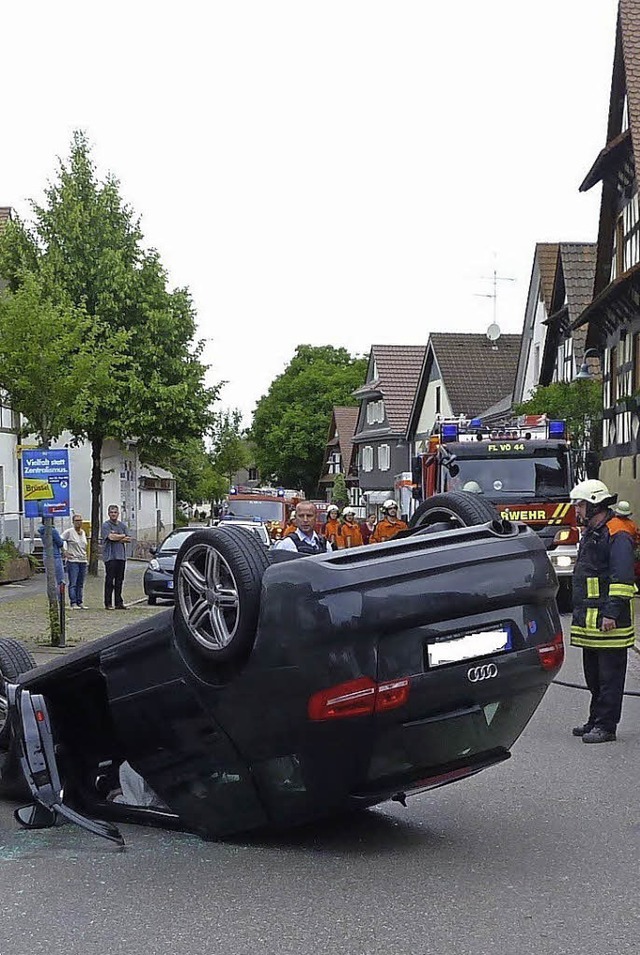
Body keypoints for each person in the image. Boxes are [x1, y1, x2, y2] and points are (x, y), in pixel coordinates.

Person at [569, 479, 637, 743]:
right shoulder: (593, 530)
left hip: (609, 620)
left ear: (594, 504)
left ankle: (607, 726)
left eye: (580, 505)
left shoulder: (617, 532)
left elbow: (622, 578)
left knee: (610, 678)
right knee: (594, 676)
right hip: (591, 619)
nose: (577, 510)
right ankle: (595, 719)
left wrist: (611, 613)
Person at [101, 504, 131, 610]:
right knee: (110, 580)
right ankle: (108, 603)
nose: (113, 514)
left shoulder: (122, 525)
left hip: (121, 557)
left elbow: (128, 538)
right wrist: (121, 536)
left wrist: (117, 537)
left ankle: (119, 602)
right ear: (108, 514)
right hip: (110, 557)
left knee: (119, 581)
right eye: (111, 512)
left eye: (115, 512)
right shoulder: (105, 525)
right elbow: (110, 537)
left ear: (118, 514)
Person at [62, 514, 89, 609]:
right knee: (73, 582)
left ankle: (80, 601)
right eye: (77, 520)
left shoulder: (83, 532)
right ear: (73, 522)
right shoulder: (69, 532)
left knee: (80, 583)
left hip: (83, 560)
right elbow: (61, 540)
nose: (79, 522)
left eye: (80, 520)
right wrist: (65, 552)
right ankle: (73, 602)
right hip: (73, 560)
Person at [37, 522, 65, 589]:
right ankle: (59, 597)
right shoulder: (53, 531)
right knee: (60, 579)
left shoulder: (42, 531)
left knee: (50, 578)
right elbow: (60, 543)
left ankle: (51, 593)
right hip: (55, 555)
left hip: (46, 555)